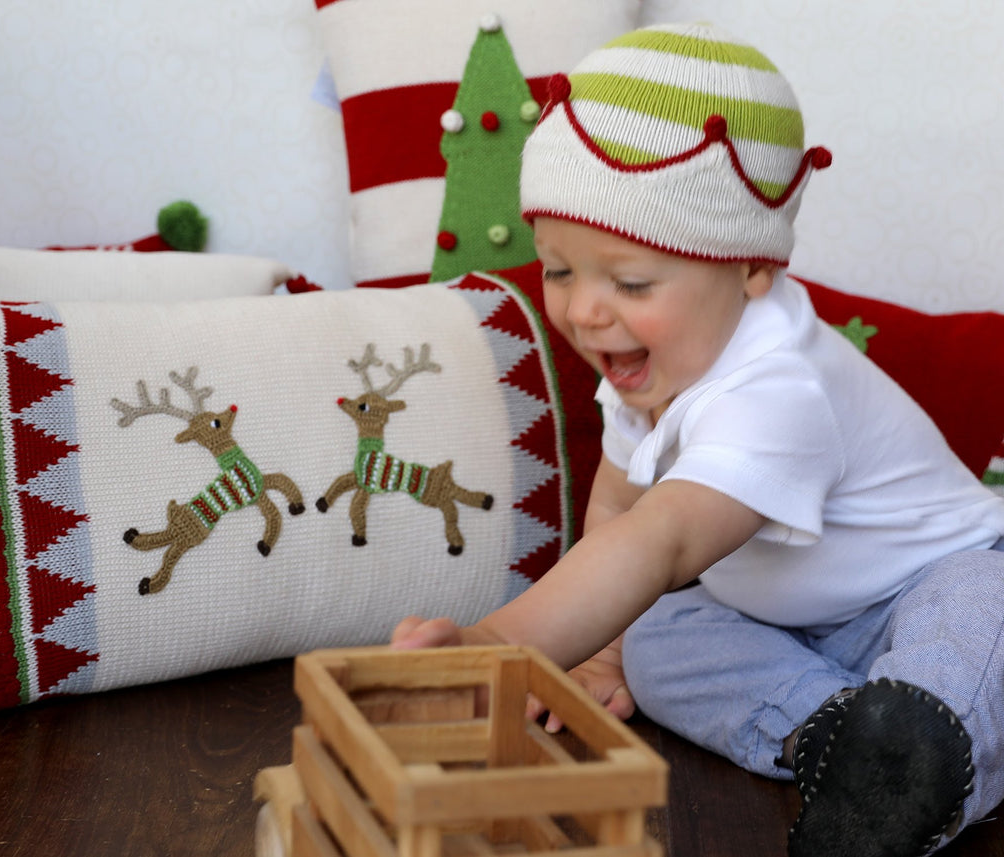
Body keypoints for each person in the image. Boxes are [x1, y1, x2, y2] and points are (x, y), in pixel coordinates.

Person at [391, 21, 1004, 857]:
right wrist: (602, 654)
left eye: (631, 281)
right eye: (559, 269)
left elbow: (665, 534)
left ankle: (924, 755)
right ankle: (840, 740)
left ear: (753, 269)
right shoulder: (646, 369)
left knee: (977, 612)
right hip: (793, 631)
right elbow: (617, 503)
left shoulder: (776, 385)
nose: (581, 311)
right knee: (659, 635)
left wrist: (500, 647)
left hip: (924, 583)